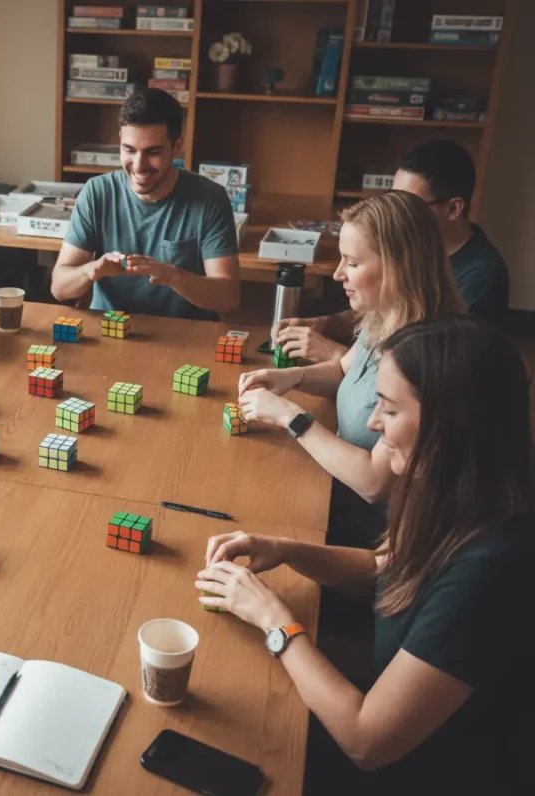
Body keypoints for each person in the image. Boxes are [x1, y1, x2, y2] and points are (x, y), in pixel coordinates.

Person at [197, 317, 533, 795]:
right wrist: (285, 550)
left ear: (448, 426)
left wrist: (275, 621)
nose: (373, 423)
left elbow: (366, 741)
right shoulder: (447, 489)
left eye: (390, 410)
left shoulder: (491, 568)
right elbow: (383, 568)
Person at [238, 191, 465, 548]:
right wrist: (290, 377)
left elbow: (375, 483)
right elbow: (346, 370)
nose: (337, 273)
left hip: (370, 538)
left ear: (397, 267)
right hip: (332, 492)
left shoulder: (427, 356)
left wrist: (289, 416)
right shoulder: (385, 313)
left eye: (352, 262)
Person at [275, 139, 509, 362]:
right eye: (392, 197)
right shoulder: (410, 247)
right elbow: (386, 309)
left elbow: (432, 370)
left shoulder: (482, 276)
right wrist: (325, 324)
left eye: (408, 203)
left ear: (453, 208)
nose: (393, 211)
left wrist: (334, 355)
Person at [50, 88, 241, 320]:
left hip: (185, 334)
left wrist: (173, 277)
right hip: (112, 330)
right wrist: (91, 270)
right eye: (129, 150)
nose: (139, 165)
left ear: (177, 146)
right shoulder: (97, 192)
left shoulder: (210, 199)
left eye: (153, 152)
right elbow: (59, 288)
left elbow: (228, 299)